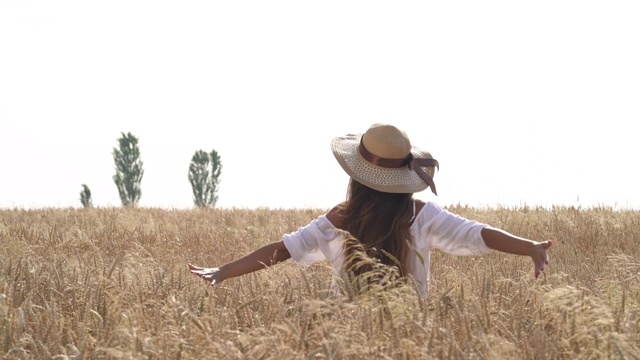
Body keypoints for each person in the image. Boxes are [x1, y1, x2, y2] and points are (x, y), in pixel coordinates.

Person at [189, 123, 552, 298]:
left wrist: (224, 271)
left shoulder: (341, 218)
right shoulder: (420, 215)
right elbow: (478, 233)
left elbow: (282, 250)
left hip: (346, 337)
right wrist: (530, 246)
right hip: (408, 336)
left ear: (357, 177)